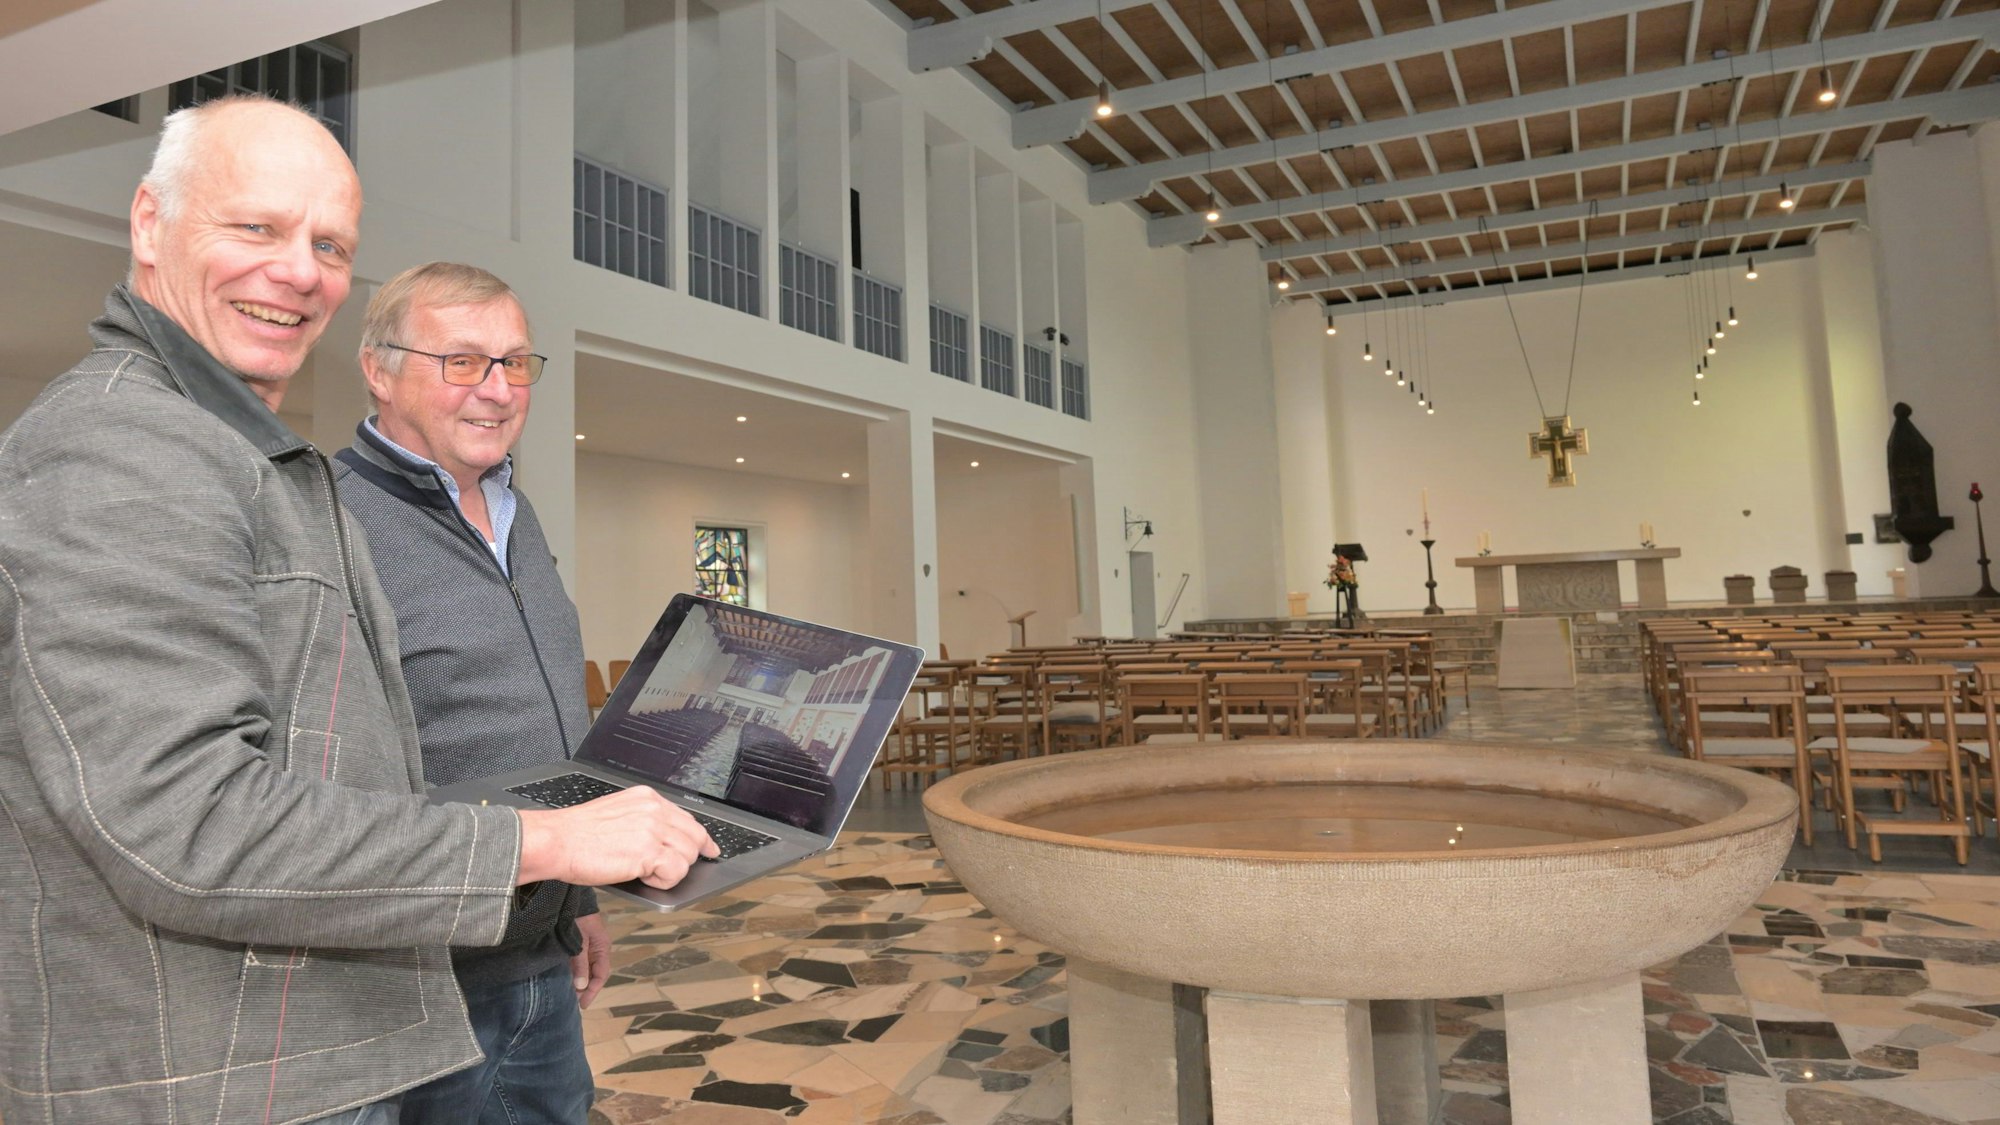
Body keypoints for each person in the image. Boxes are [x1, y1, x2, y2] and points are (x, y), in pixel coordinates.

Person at [0, 95, 713, 1125]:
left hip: (357, 1010)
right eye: (255, 226)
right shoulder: (126, 449)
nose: (298, 270)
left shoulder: (251, 460)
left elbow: (333, 754)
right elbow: (181, 825)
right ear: (149, 223)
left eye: (329, 243)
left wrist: (566, 902)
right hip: (221, 1064)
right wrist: (547, 848)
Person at [333, 263, 603, 1123]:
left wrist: (577, 904)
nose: (496, 389)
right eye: (463, 361)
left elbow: (540, 719)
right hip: (412, 979)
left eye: (515, 363)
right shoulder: (329, 519)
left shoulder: (519, 513)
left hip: (539, 956)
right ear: (379, 369)